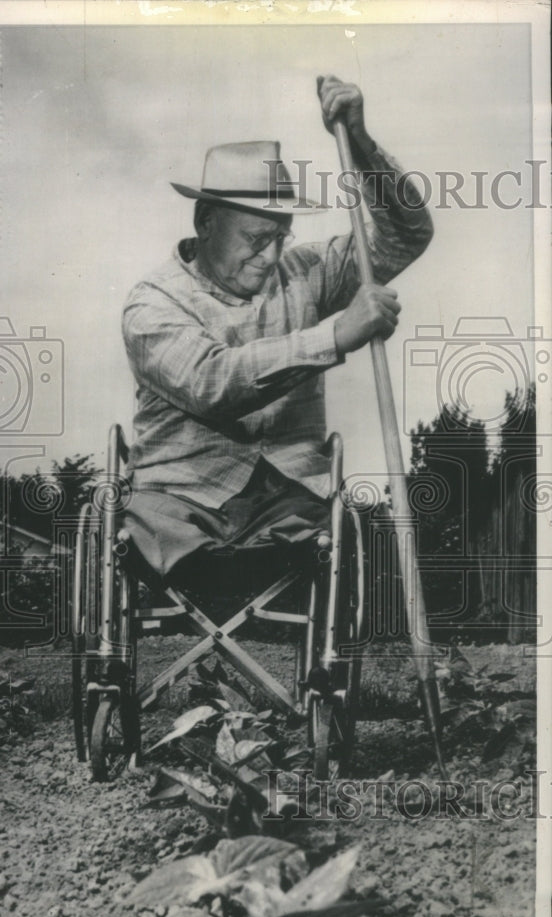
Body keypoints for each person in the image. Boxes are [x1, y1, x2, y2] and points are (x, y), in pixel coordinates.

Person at [121, 75, 433, 581]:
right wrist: (336, 335)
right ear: (205, 222)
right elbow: (212, 384)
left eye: (281, 238)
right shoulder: (152, 302)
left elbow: (405, 234)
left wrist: (361, 145)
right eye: (255, 238)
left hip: (293, 509)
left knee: (338, 532)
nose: (270, 257)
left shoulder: (306, 274)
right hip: (178, 511)